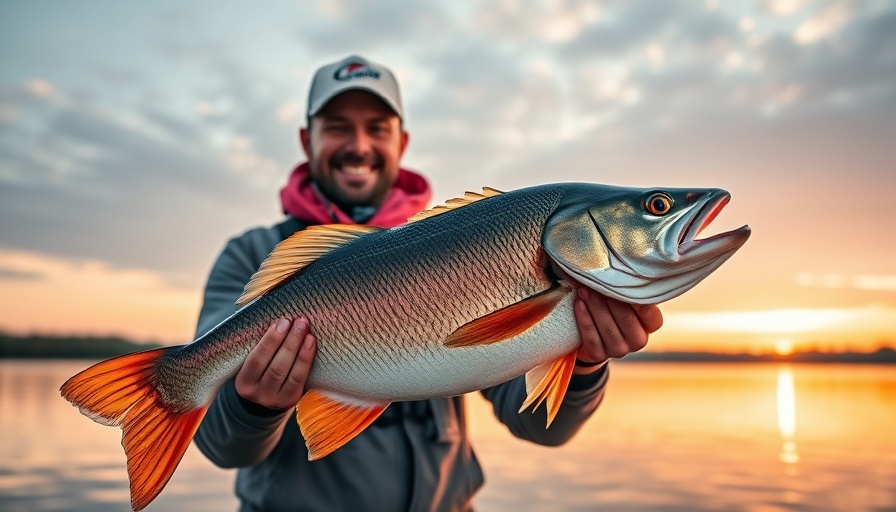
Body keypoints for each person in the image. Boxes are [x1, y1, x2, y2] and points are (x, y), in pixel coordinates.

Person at [193, 55, 663, 512]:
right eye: (338, 126)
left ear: (402, 141)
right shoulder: (254, 257)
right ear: (306, 139)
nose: (359, 144)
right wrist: (251, 405)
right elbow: (221, 445)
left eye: (377, 128)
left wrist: (581, 366)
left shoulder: (462, 245)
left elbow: (541, 428)